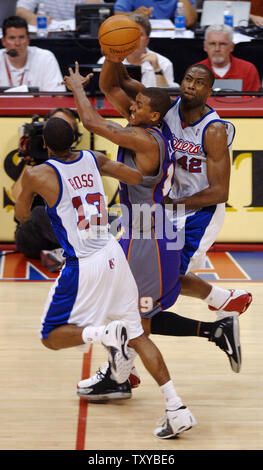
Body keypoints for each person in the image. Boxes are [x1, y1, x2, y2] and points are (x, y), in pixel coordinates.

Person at [63, 63, 242, 431]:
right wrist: (112, 56)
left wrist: (78, 91)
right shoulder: (156, 123)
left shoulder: (163, 137)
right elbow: (116, 98)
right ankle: (130, 373)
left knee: (136, 322)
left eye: (139, 103)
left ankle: (169, 402)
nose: (132, 106)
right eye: (188, 79)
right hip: (148, 225)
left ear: (153, 113)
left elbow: (95, 124)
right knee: (127, 313)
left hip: (164, 225)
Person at [14, 106, 198, 441]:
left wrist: (28, 182)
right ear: (76, 138)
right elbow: (134, 178)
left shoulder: (38, 174)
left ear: (43, 144)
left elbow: (23, 214)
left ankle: (105, 334)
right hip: (113, 253)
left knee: (50, 336)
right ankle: (176, 408)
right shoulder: (93, 158)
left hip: (84, 263)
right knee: (139, 335)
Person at [12, 108, 81, 268]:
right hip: (35, 236)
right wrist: (30, 160)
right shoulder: (32, 161)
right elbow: (17, 200)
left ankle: (62, 253)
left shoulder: (79, 160)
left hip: (70, 228)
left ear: (73, 137)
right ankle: (72, 251)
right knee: (38, 213)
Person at [98, 13, 179, 88]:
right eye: (130, 34)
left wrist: (157, 69)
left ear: (147, 39)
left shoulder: (163, 63)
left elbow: (168, 98)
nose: (134, 39)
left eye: (139, 35)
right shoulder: (106, 62)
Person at [0, 16, 65, 92]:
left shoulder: (45, 58)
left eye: (21, 37)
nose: (17, 43)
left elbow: (58, 95)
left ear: (28, 39)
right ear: (3, 41)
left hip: (39, 104)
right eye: (12, 38)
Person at [197, 24, 261, 92]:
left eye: (222, 44)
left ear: (232, 46)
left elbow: (254, 101)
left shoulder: (248, 70)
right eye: (212, 44)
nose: (217, 49)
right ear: (205, 46)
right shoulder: (195, 72)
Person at [114, 0, 198, 28]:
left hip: (173, 42)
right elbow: (116, 15)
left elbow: (189, 21)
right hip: (139, 38)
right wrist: (134, 14)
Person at [15, 0, 102, 26]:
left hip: (77, 37)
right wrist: (32, 18)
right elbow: (20, 9)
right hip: (48, 35)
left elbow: (100, 8)